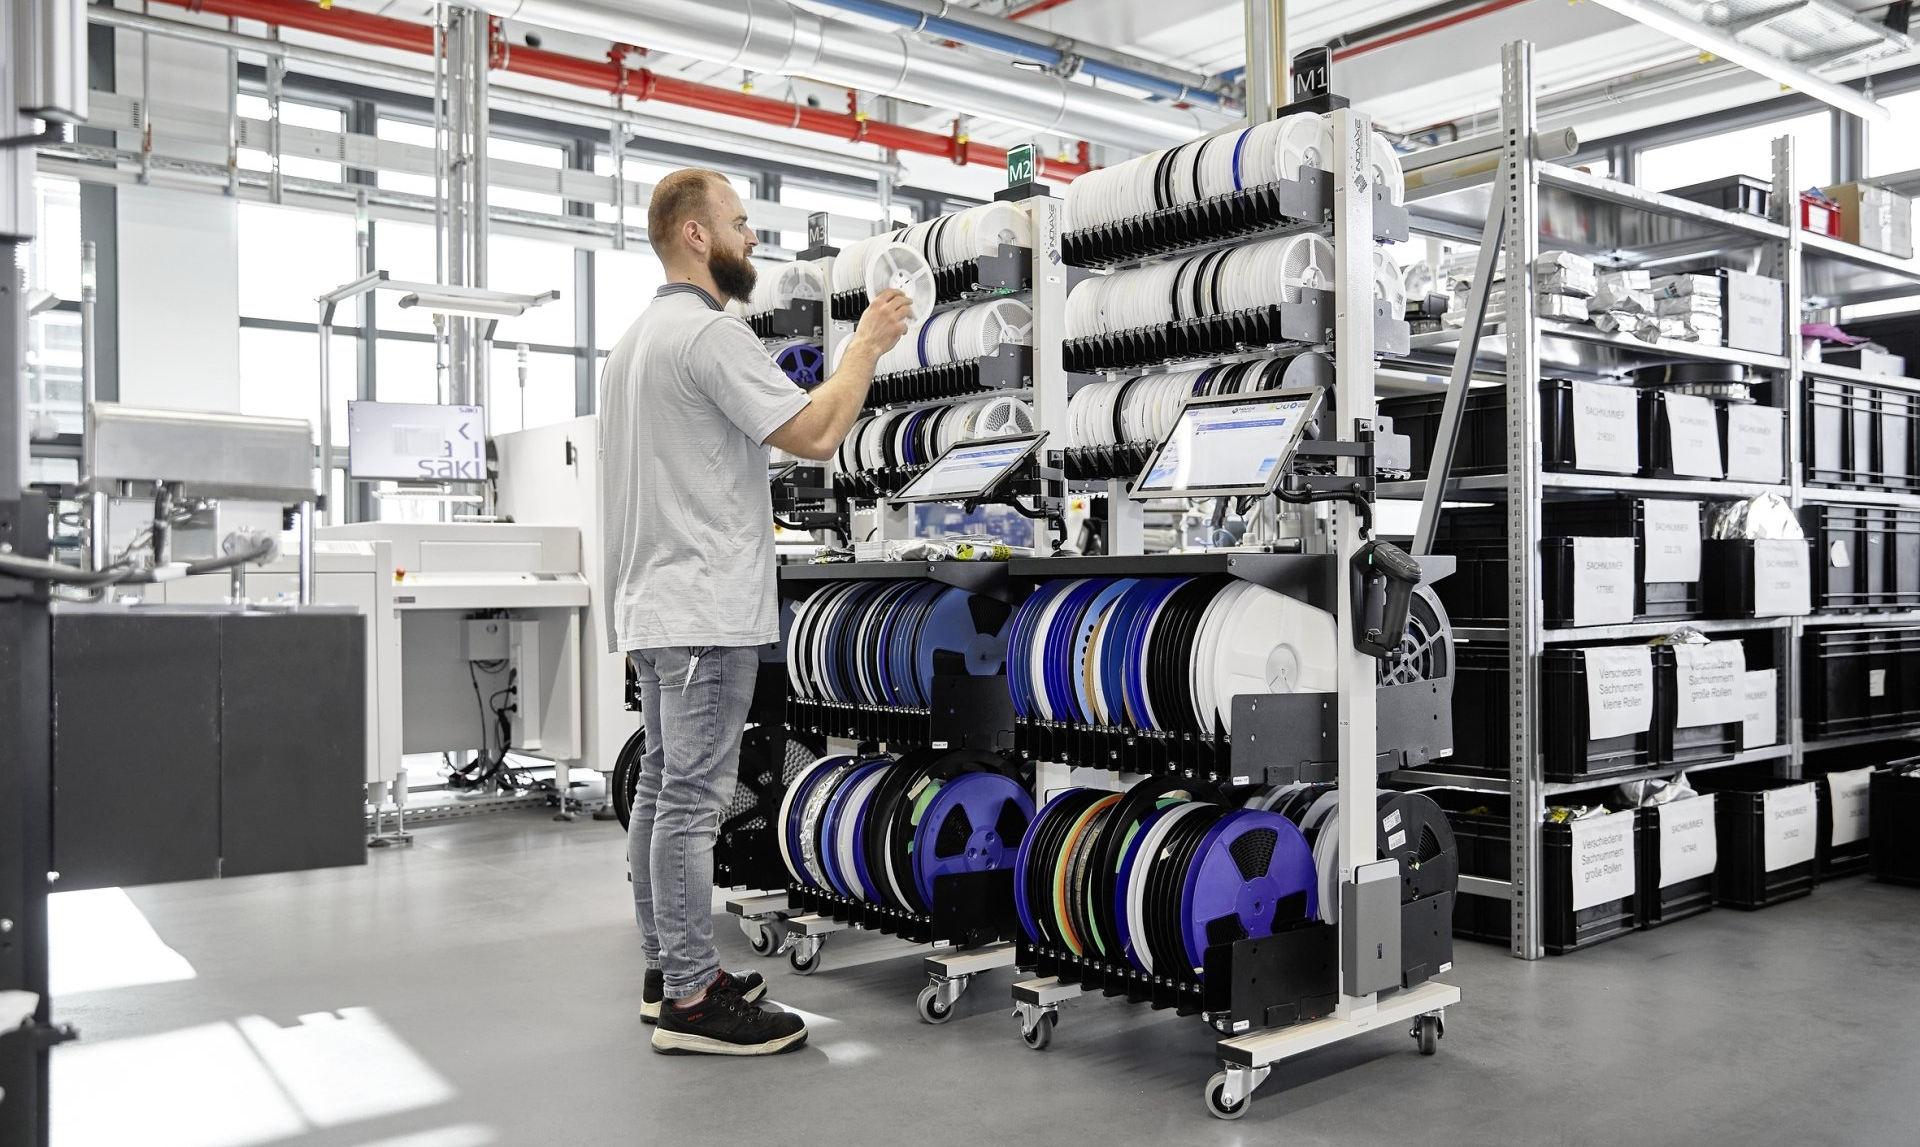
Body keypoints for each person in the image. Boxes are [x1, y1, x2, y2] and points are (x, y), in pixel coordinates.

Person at [600, 168, 912, 1056]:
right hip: (705, 612)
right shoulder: (709, 334)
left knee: (663, 796)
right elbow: (815, 434)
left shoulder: (633, 344)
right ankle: (695, 1002)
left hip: (658, 611)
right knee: (692, 804)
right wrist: (866, 348)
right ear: (696, 235)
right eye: (740, 224)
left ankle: (671, 972)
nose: (752, 240)